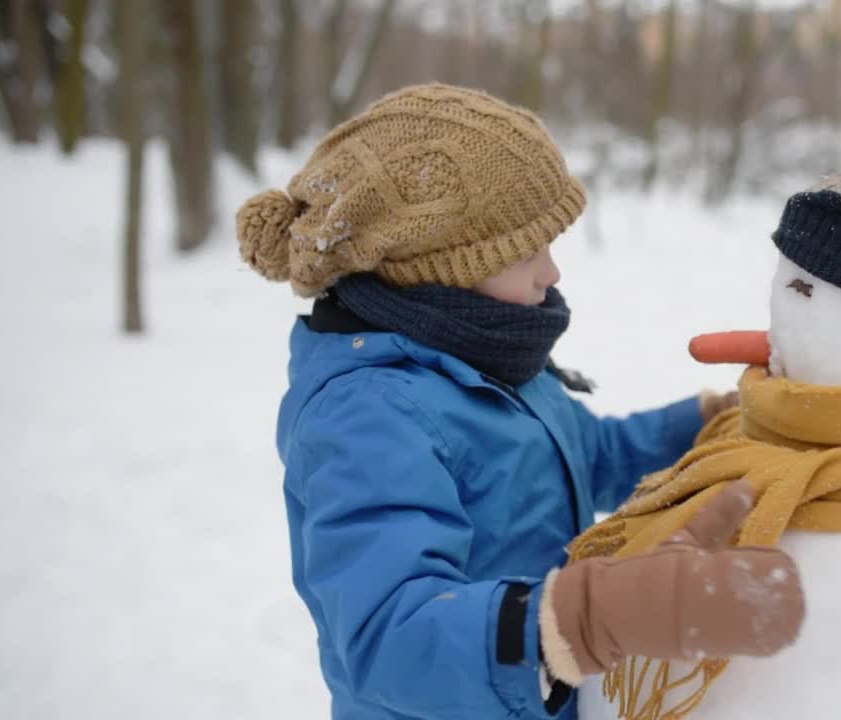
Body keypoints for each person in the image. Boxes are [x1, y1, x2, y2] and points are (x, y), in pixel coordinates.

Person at [235, 83, 804, 720]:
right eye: (527, 251)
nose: (552, 272)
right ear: (443, 268)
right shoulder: (368, 415)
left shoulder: (490, 355)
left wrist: (712, 417)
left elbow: (590, 456)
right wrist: (581, 620)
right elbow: (389, 638)